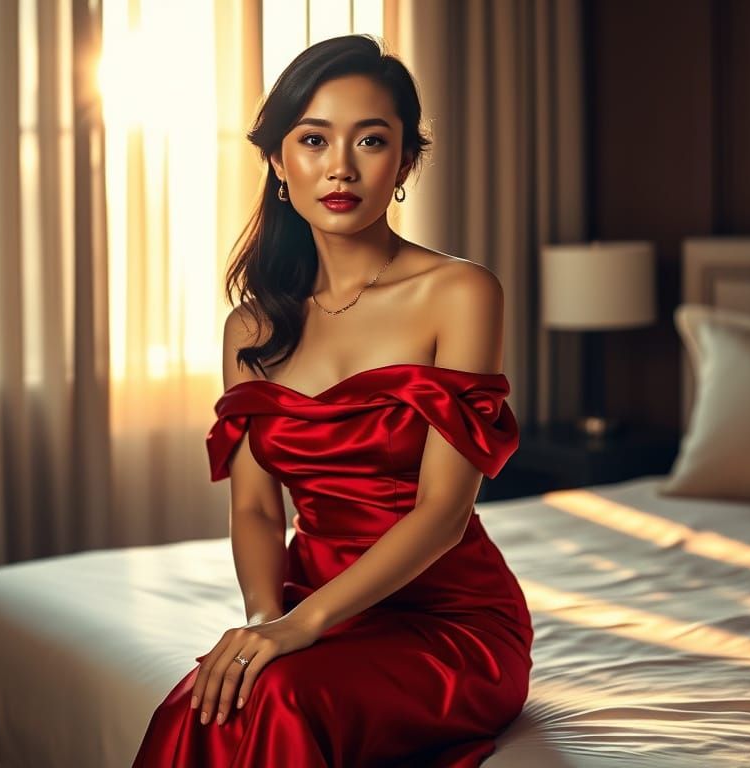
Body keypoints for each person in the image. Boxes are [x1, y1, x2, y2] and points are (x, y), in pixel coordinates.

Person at [132, 33, 533, 767]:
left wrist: (299, 628)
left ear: (405, 162)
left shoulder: (460, 293)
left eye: (371, 141)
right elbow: (255, 507)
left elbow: (442, 514)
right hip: (312, 610)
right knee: (208, 701)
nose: (340, 167)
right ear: (280, 163)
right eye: (313, 139)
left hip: (449, 622)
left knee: (278, 696)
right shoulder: (252, 327)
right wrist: (265, 619)